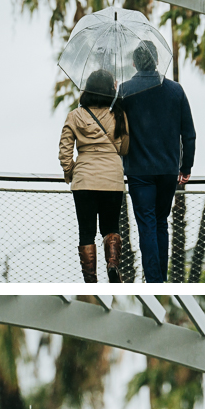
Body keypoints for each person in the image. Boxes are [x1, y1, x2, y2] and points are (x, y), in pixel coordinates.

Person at [119, 42, 196, 283]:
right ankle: (160, 278)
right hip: (167, 170)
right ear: (156, 61)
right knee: (161, 223)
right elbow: (189, 134)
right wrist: (186, 167)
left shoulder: (125, 90)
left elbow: (117, 130)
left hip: (138, 171)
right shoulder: (175, 91)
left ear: (134, 63)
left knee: (147, 226)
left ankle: (153, 281)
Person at [59, 69, 130, 283]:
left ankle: (90, 279)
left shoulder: (74, 116)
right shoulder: (118, 114)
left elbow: (64, 152)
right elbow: (124, 148)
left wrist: (72, 172)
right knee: (111, 227)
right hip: (112, 179)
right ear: (110, 91)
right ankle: (113, 264)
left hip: (84, 181)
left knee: (86, 232)